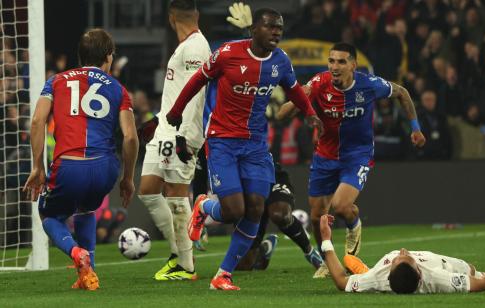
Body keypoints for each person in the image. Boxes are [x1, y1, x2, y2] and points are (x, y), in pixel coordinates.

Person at [166, 8, 323, 290]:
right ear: (254, 30)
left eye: (280, 28)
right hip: (223, 140)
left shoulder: (281, 61)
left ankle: (222, 275)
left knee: (255, 208)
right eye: (270, 27)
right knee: (233, 210)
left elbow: (294, 89)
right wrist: (177, 111)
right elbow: (198, 79)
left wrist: (309, 112)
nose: (276, 32)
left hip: (256, 145)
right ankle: (204, 207)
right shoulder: (227, 53)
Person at [278, 42, 426, 278]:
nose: (334, 66)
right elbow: (282, 114)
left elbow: (403, 93)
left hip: (357, 155)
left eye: (341, 61)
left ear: (353, 65)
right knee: (316, 216)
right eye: (331, 61)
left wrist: (415, 128)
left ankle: (353, 225)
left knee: (341, 206)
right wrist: (299, 99)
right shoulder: (318, 84)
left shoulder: (369, 84)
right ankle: (328, 260)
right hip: (325, 155)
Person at [23, 28, 138, 290]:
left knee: (49, 215)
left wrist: (38, 166)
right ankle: (89, 275)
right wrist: (128, 179)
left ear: (80, 55)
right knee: (87, 208)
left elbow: (38, 120)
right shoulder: (119, 89)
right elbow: (131, 137)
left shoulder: (56, 81)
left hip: (69, 165)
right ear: (108, 57)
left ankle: (77, 254)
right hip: (105, 167)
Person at [136, 0, 210, 281]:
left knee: (176, 195)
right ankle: (179, 250)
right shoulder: (187, 45)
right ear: (197, 15)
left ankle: (185, 264)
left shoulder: (195, 47)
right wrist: (157, 120)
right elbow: (180, 92)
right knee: (148, 189)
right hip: (165, 128)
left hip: (180, 133)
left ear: (170, 18)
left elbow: (195, 94)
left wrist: (182, 136)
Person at [318, 214, 485, 294]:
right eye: (406, 256)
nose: (403, 250)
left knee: (357, 270)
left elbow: (340, 281)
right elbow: (483, 283)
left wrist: (326, 239)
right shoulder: (439, 279)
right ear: (419, 272)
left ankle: (364, 270)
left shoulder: (379, 277)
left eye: (396, 259)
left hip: (374, 275)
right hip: (442, 263)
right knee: (475, 272)